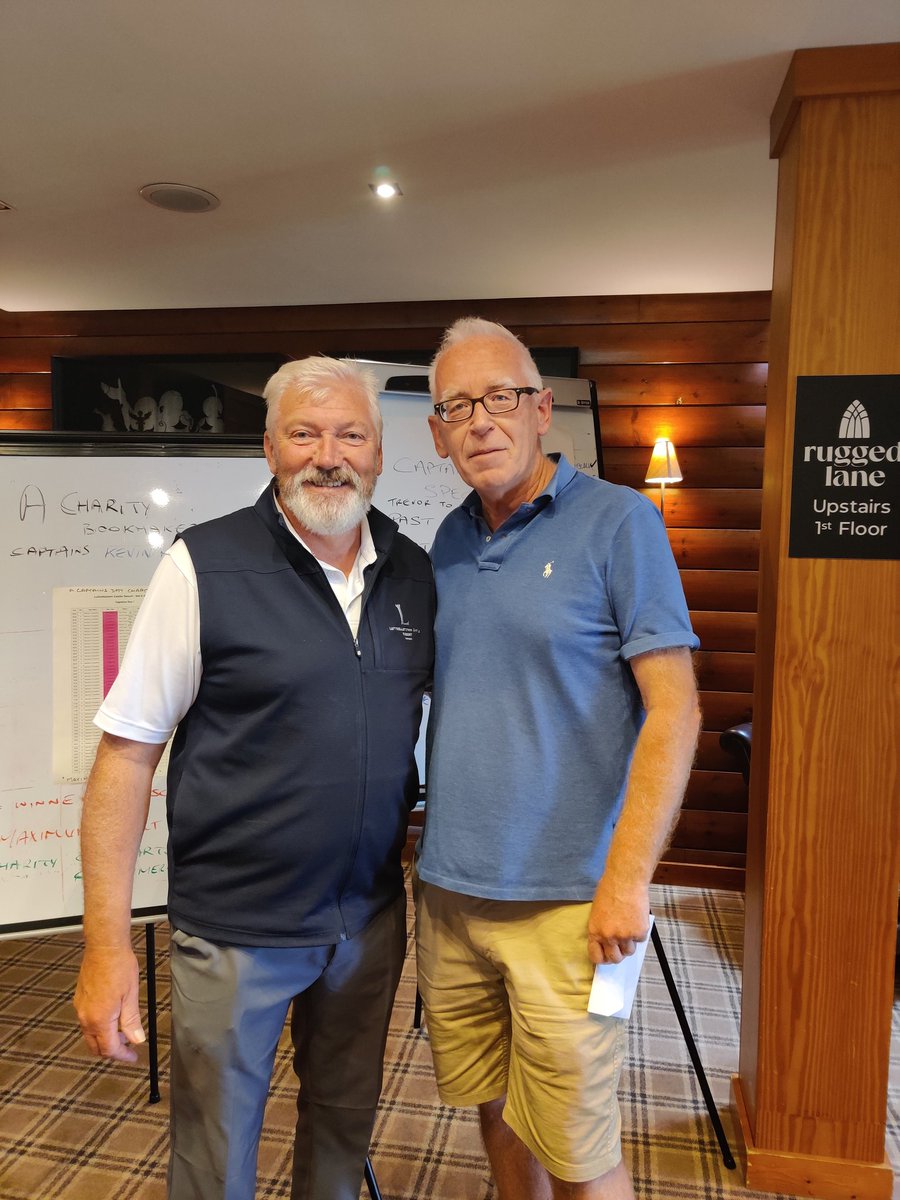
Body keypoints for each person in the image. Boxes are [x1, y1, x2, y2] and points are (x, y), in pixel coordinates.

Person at [74, 356, 435, 1200]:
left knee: (343, 1133)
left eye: (351, 434)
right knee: (215, 1156)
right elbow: (125, 757)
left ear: (381, 452)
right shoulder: (202, 567)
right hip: (235, 930)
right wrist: (105, 945)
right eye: (305, 433)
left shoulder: (414, 573)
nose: (329, 453)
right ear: (269, 447)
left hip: (368, 923)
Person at [415, 318, 701, 1200]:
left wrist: (627, 876)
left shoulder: (620, 523)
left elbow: (675, 710)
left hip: (576, 906)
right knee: (495, 1109)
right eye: (457, 406)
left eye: (500, 398)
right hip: (453, 894)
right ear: (436, 434)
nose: (481, 422)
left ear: (542, 410)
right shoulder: (447, 544)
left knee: (578, 1146)